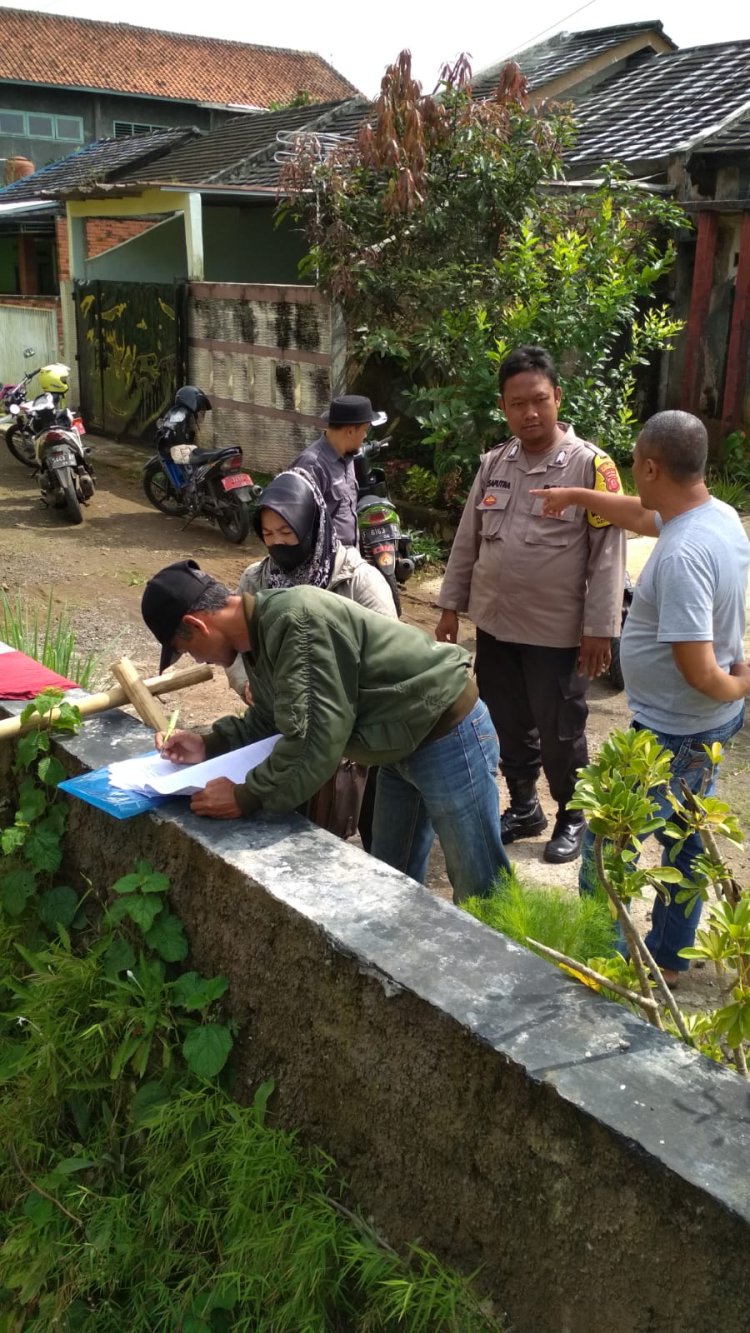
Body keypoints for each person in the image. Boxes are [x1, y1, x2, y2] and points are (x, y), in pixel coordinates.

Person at [141, 559, 511, 903]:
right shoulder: (256, 637)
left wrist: (245, 796)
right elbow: (275, 717)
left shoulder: (294, 622)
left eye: (185, 649)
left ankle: (509, 969)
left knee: (479, 882)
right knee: (390, 875)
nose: (197, 660)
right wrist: (208, 744)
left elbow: (314, 741)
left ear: (195, 625)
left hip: (447, 732)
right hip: (398, 743)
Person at [532, 409, 750, 985]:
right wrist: (576, 494)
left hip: (675, 731)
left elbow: (701, 670)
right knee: (685, 843)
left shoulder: (680, 556)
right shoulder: (716, 515)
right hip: (709, 722)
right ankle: (672, 958)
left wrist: (742, 682)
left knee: (606, 850)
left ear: (652, 466)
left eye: (634, 463)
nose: (631, 472)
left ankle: (602, 965)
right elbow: (637, 513)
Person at [435, 345, 626, 864]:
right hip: (496, 626)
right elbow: (467, 540)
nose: (530, 413)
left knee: (562, 729)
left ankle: (572, 814)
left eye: (540, 400)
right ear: (503, 407)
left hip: (557, 634)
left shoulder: (590, 467)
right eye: (518, 404)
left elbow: (608, 555)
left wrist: (600, 628)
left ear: (557, 397)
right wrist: (450, 606)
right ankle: (524, 807)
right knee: (504, 721)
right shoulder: (495, 464)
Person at [224, 466, 396, 848]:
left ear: (312, 524)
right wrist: (246, 683)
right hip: (283, 724)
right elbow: (235, 644)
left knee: (369, 827)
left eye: (287, 533)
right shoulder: (256, 580)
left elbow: (386, 654)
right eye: (268, 535)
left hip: (357, 729)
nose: (278, 544)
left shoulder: (357, 580)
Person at [291, 394, 387, 547]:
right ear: (349, 431)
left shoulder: (347, 457)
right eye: (364, 430)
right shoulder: (312, 466)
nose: (365, 435)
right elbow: (296, 523)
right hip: (326, 564)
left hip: (348, 558)